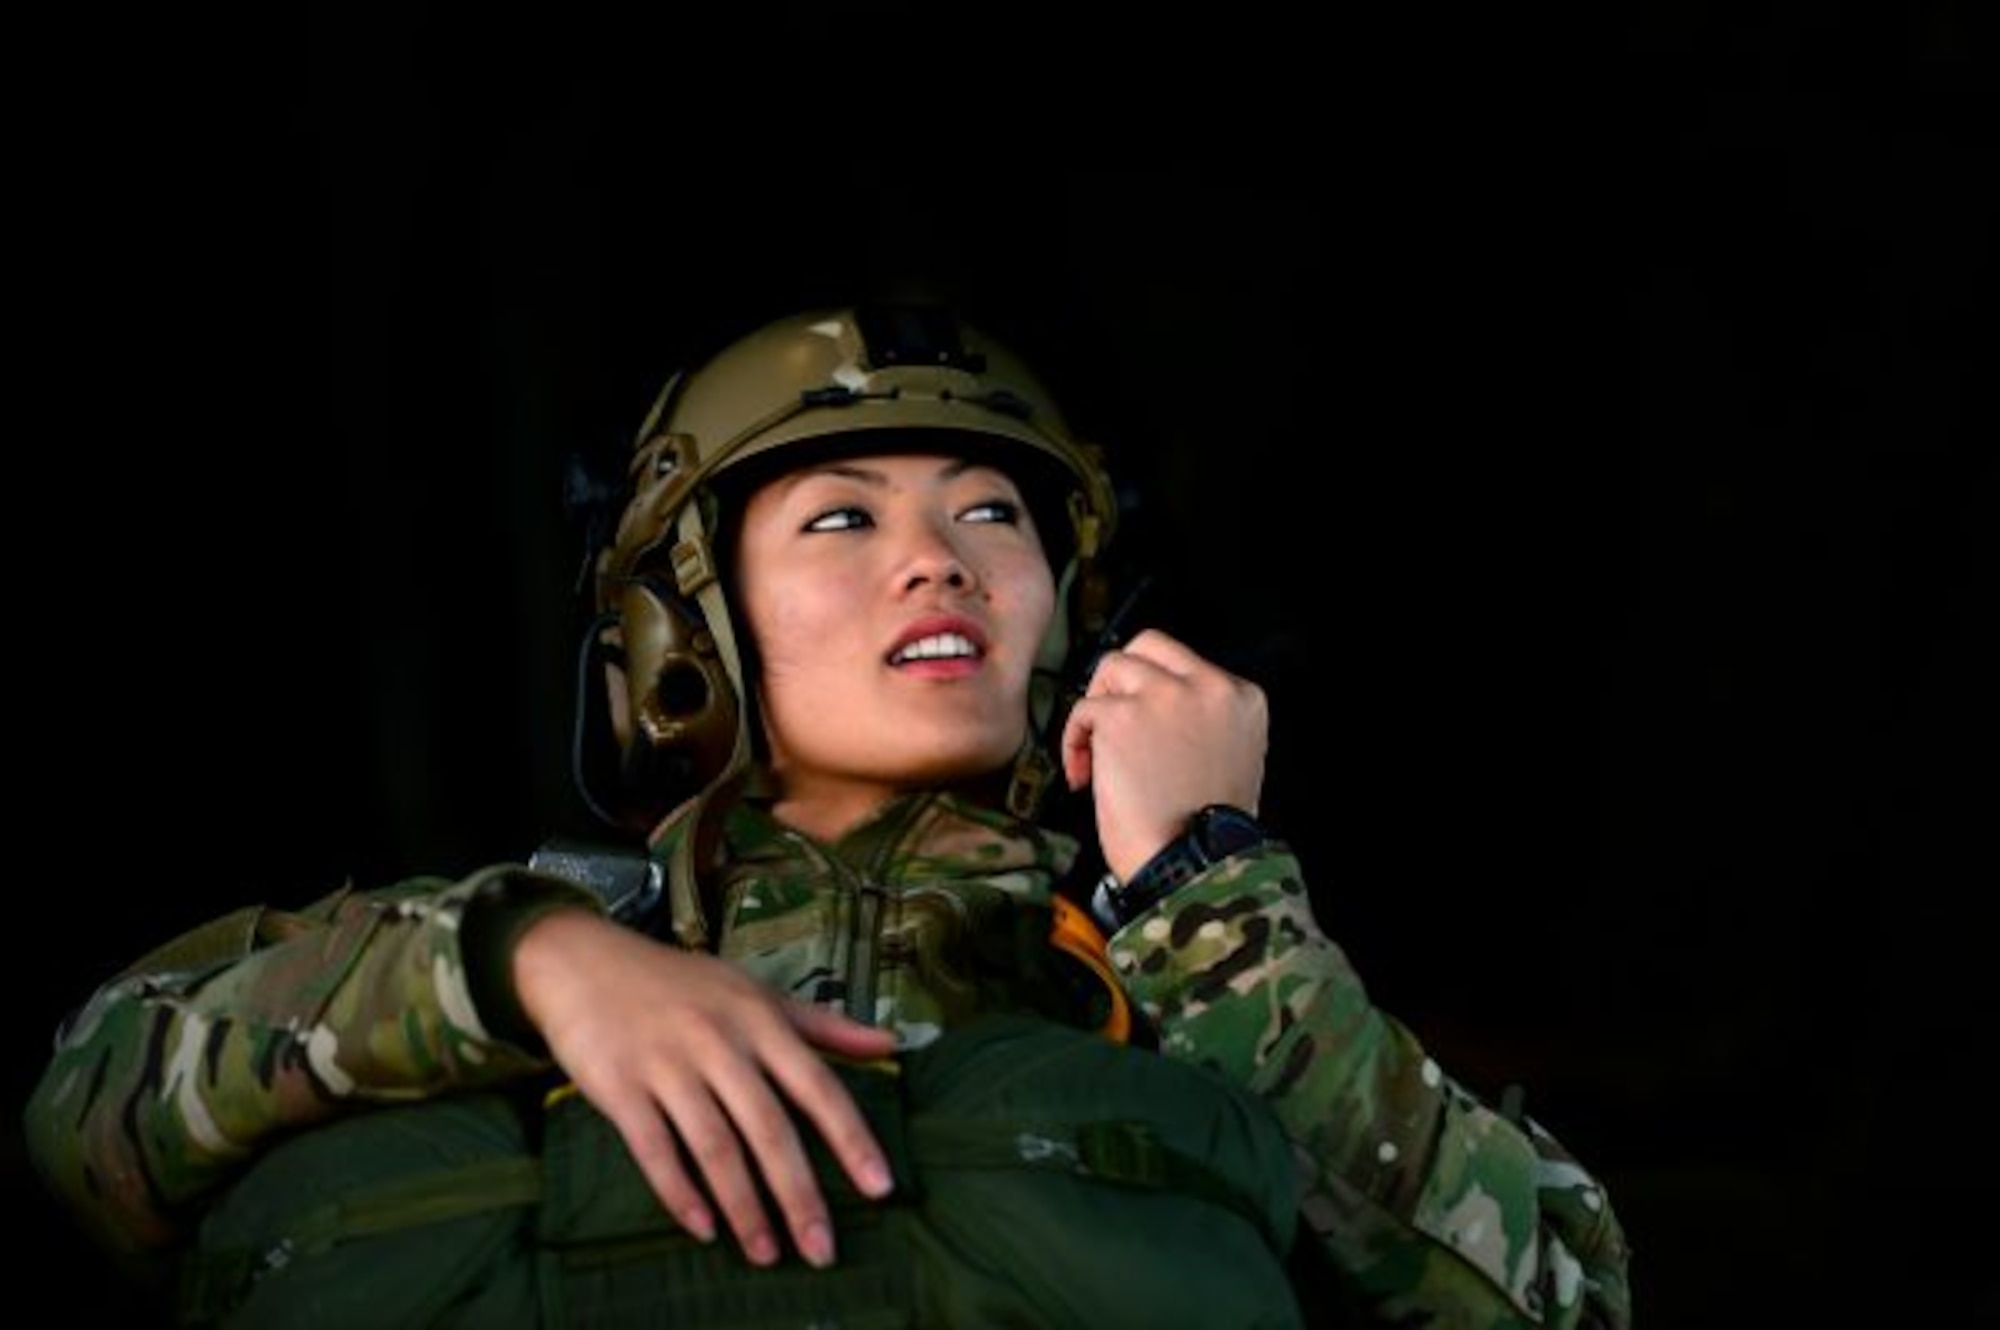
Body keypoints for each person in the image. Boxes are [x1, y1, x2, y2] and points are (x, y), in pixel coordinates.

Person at [22, 301, 1632, 1327]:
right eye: (842, 515)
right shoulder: (485, 956)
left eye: (991, 513)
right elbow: (91, 1120)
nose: (935, 558)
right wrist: (528, 965)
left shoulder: (1177, 988)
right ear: (684, 632)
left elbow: (1558, 1299)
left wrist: (1209, 884)